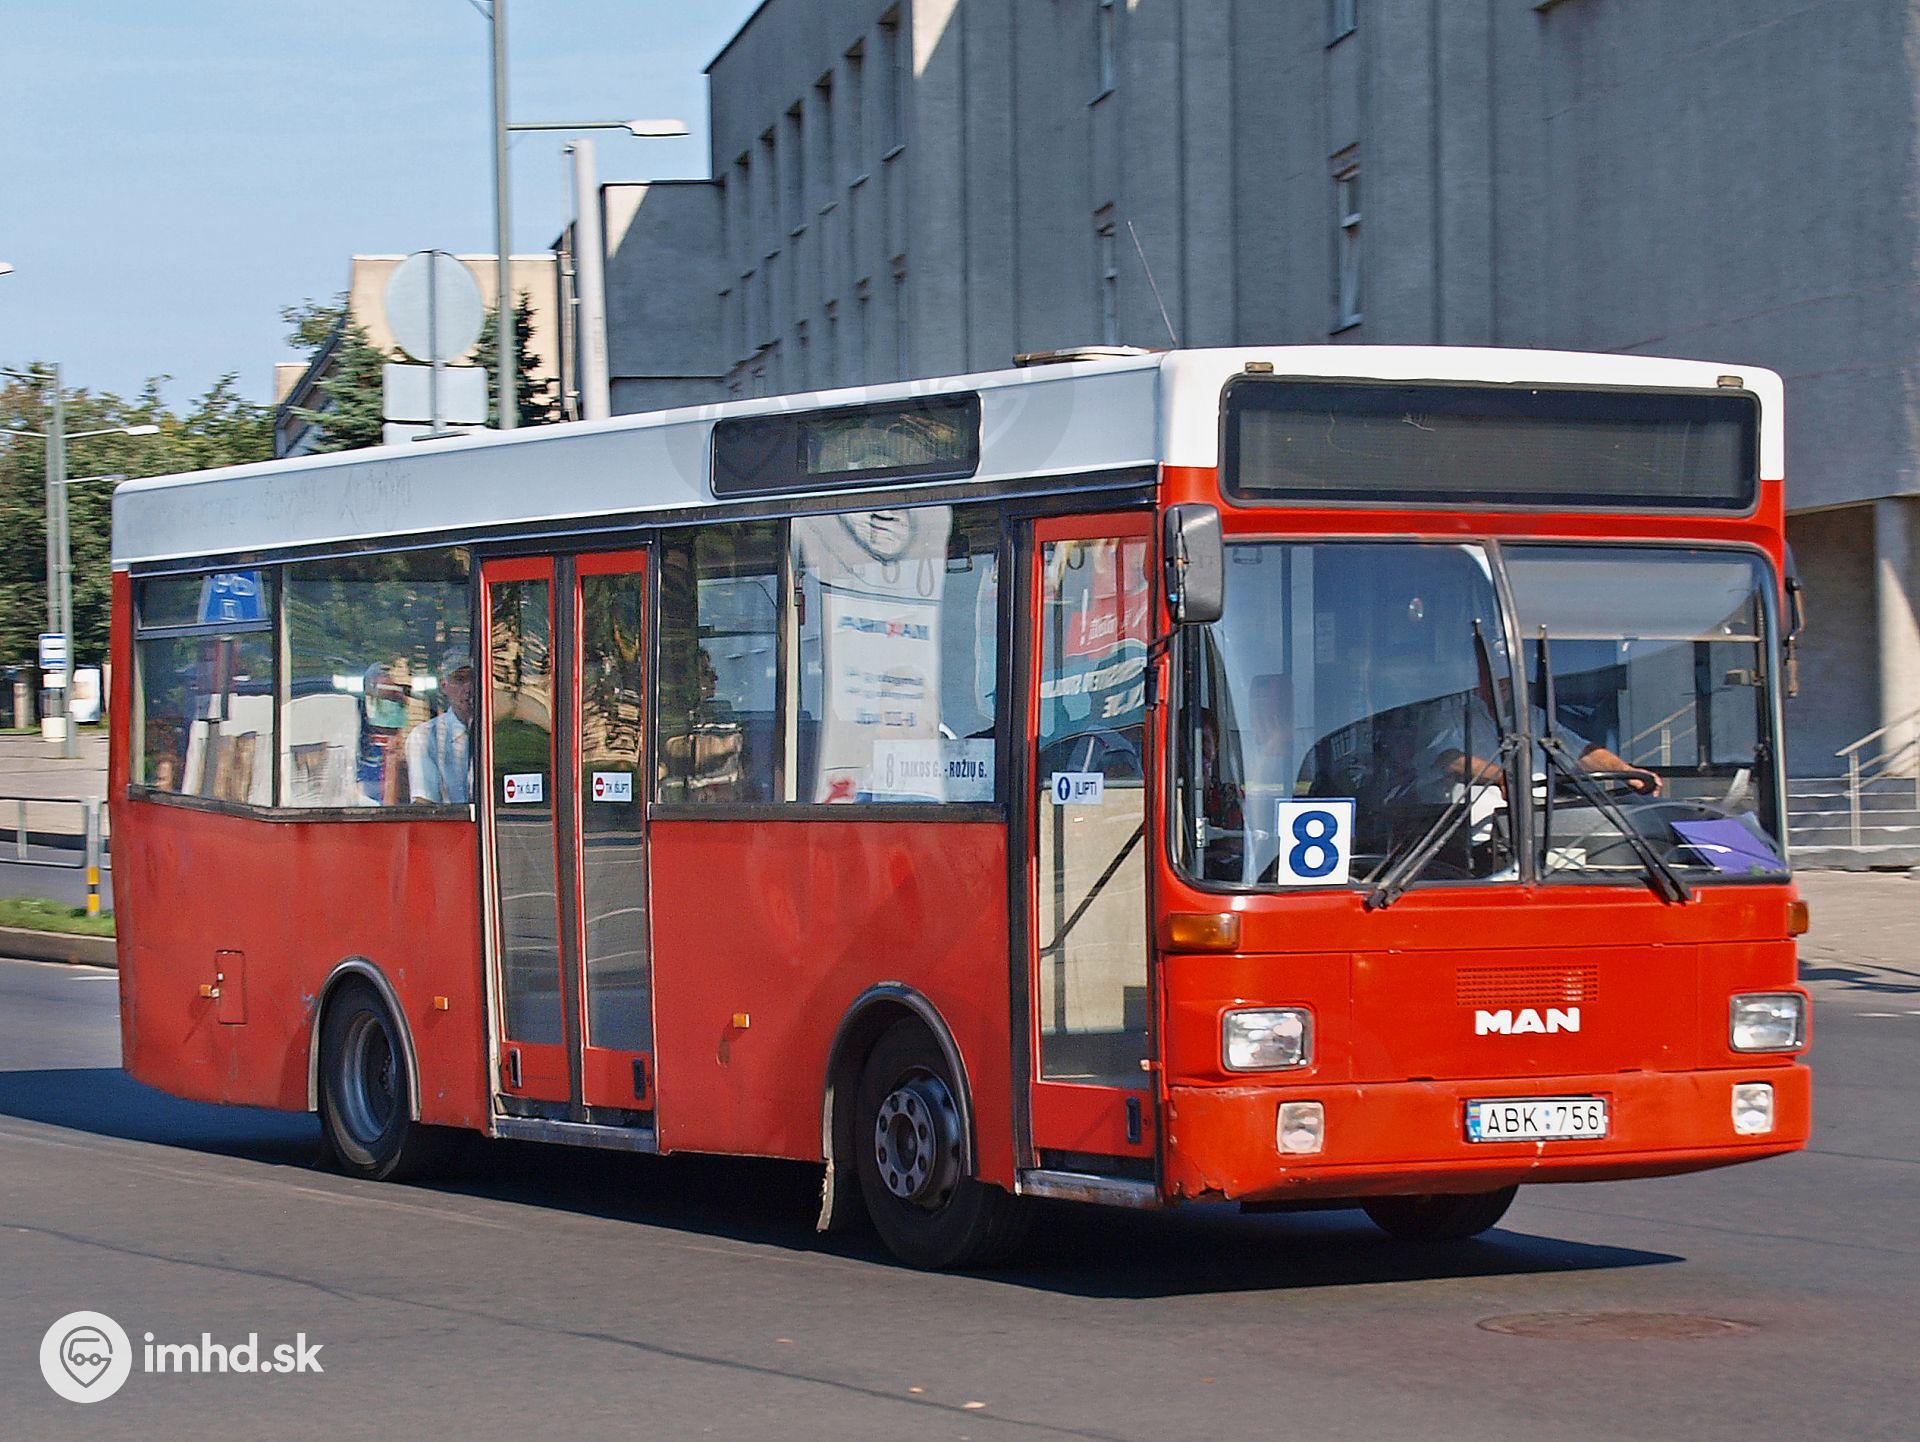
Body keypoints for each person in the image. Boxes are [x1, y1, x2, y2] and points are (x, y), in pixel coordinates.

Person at [408, 648, 473, 804]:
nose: (469, 688)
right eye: (459, 680)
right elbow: (425, 803)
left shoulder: (499, 731)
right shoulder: (425, 737)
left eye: (474, 678)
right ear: (444, 686)